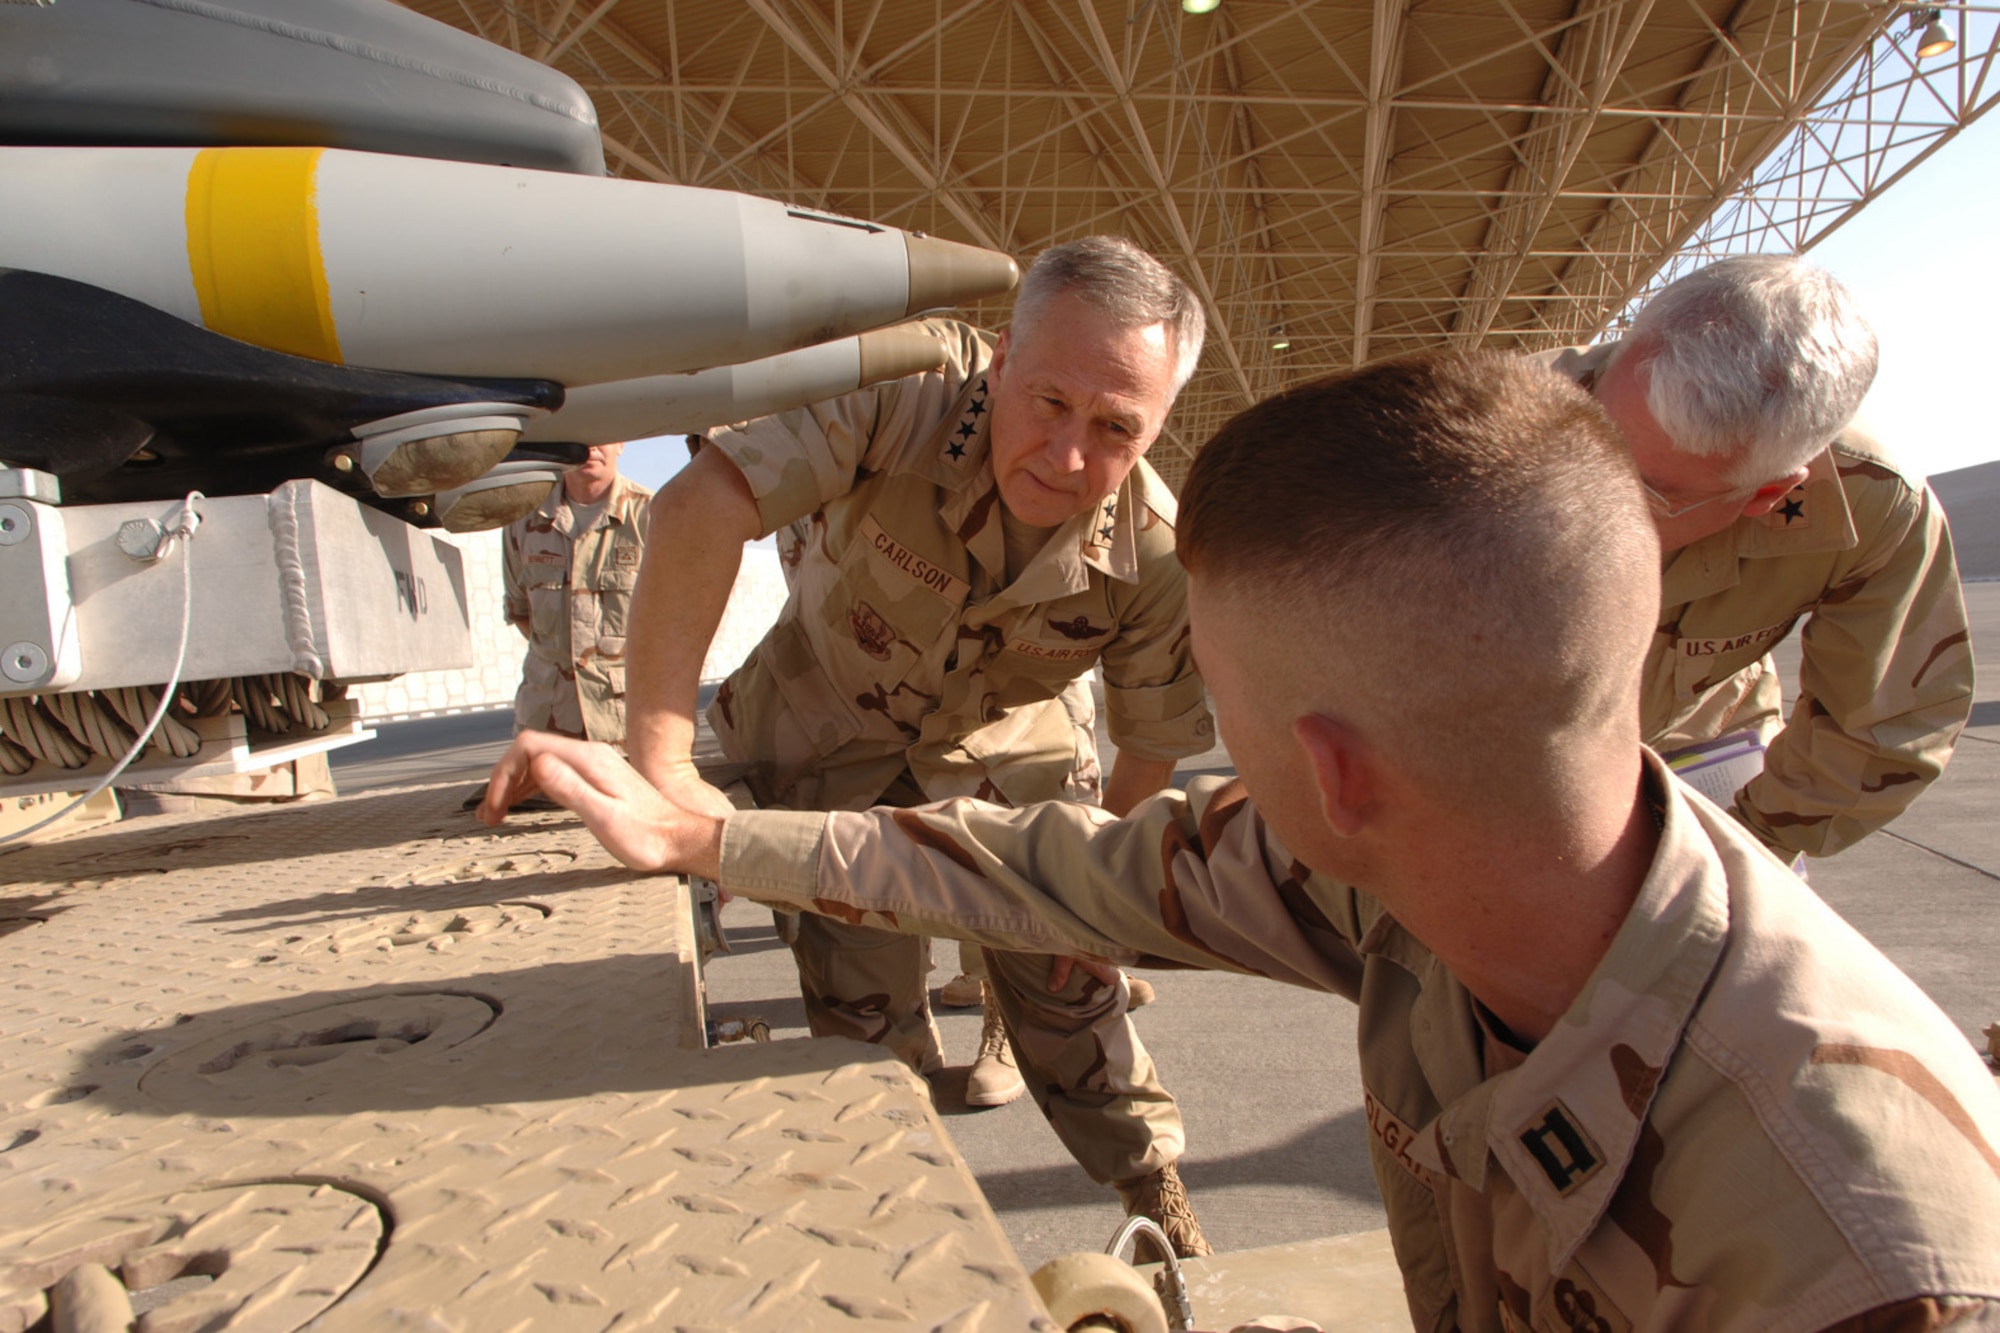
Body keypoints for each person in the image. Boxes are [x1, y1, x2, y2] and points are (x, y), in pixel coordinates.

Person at [484, 350, 2000, 1330]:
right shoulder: (1410, 875)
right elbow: (1041, 863)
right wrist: (707, 832)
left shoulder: (1849, 1250)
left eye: (1226, 701)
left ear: (1334, 772)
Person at [618, 237, 1217, 1256]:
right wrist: (661, 769)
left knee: (1075, 998)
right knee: (861, 1029)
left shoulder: (1152, 554)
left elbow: (1148, 742)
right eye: (1048, 402)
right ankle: (904, 1247)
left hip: (1005, 764)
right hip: (825, 742)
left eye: (1117, 426)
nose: (1069, 456)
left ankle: (1156, 1198)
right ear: (998, 359)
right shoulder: (901, 394)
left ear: (1159, 423)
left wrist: (1097, 894)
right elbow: (700, 504)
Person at [1547, 256, 1973, 863]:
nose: (1599, 492)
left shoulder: (1868, 503)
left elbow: (1881, 726)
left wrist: (1740, 853)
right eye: (1593, 439)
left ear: (1768, 494)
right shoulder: (1460, 430)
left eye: (1651, 489)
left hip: (1694, 763)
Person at [501, 441, 652, 744]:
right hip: (547, 725)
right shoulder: (524, 519)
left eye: (602, 435)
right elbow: (520, 613)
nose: (590, 446)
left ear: (621, 444)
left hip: (626, 726)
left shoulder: (652, 515)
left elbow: (678, 621)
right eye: (580, 434)